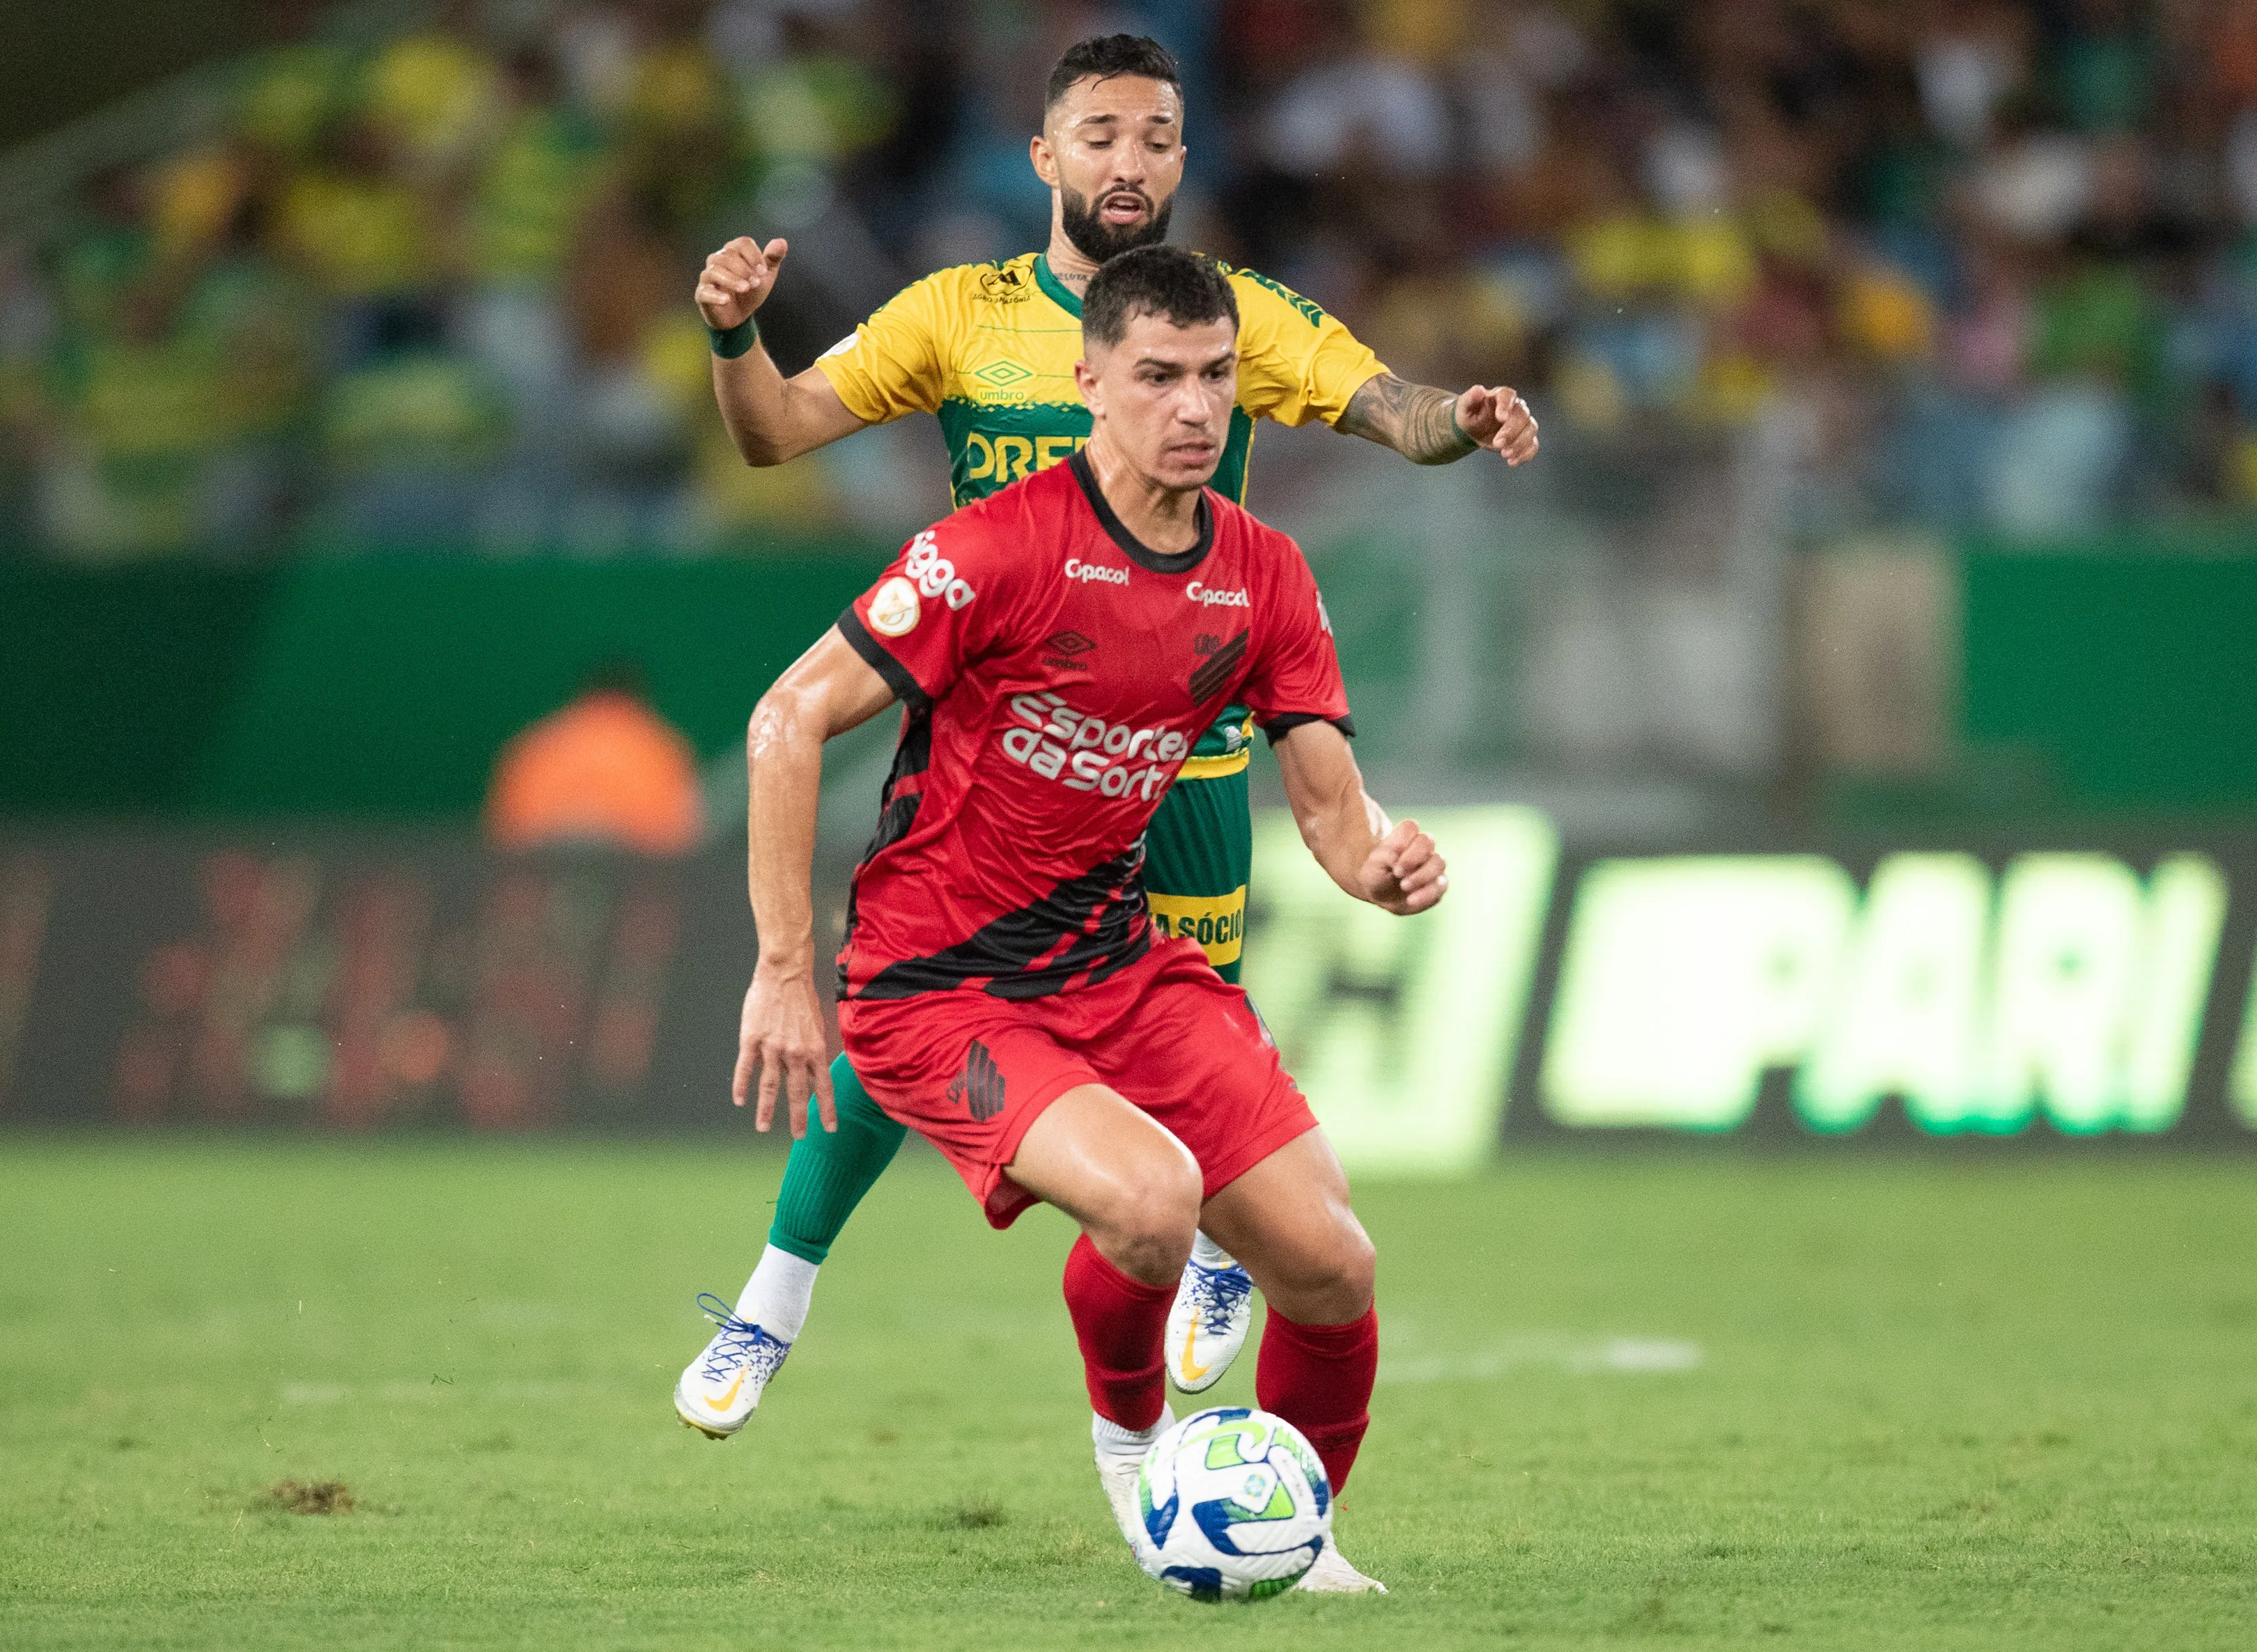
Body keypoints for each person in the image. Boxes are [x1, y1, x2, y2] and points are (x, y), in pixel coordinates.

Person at [676, 31, 1535, 1432]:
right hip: (995, 742)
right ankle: (779, 1290)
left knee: (1181, 1024)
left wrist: (1464, 416)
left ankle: (1203, 1255)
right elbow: (770, 435)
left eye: (1155, 138)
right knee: (919, 1004)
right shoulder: (956, 311)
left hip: (1182, 754)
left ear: (1184, 158)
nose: (1127, 162)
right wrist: (730, 336)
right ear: (1046, 158)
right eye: (1100, 137)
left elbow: (1390, 409)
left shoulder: (1232, 316)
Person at [719, 247, 1441, 1591]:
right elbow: (786, 715)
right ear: (1088, 381)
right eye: (1158, 376)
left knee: (1333, 1267)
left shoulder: (1265, 574)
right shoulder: (990, 550)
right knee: (1154, 1204)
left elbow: (1336, 818)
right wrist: (781, 964)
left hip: (1116, 958)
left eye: (1216, 375)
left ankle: (1289, 1529)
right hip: (939, 983)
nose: (1193, 406)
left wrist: (1380, 868)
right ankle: (1136, 1457)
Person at [483, 662, 702, 856]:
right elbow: (680, 838)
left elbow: (505, 833)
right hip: (633, 880)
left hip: (543, 878)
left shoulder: (535, 746)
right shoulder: (662, 750)